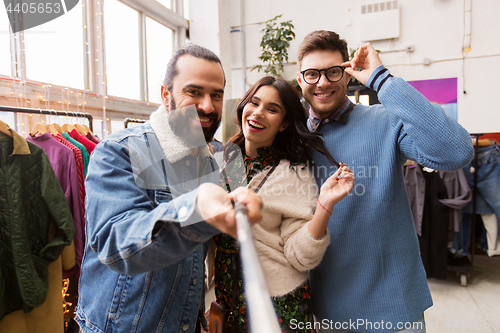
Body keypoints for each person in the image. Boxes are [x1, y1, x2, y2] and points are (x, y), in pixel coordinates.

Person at [75, 45, 263, 333]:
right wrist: (194, 209)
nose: (207, 106)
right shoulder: (118, 151)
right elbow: (115, 242)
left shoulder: (213, 159)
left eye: (216, 94)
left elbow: (192, 262)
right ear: (166, 95)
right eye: (194, 92)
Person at [295, 30, 474, 333]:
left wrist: (381, 79)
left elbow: (456, 151)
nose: (322, 82)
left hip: (395, 310)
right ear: (300, 80)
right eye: (312, 74)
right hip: (325, 314)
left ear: (347, 74)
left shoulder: (384, 120)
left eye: (333, 72)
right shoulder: (295, 142)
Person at [212, 76, 355, 333]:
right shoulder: (222, 161)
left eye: (272, 109)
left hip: (278, 303)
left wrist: (324, 205)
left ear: (285, 123)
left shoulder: (292, 174)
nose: (258, 113)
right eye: (254, 103)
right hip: (229, 300)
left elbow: (300, 257)